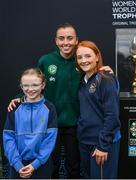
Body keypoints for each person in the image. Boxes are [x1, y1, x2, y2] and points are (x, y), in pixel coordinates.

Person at [7, 23, 113, 179]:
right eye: (61, 39)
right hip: (49, 124)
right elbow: (35, 84)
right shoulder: (46, 60)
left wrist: (104, 70)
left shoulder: (80, 60)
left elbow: (93, 73)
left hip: (75, 124)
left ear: (76, 40)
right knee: (51, 165)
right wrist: (19, 98)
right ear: (56, 41)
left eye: (70, 38)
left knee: (74, 166)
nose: (66, 42)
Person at [75, 41, 121, 179]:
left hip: (102, 144)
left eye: (88, 56)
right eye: (80, 57)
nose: (84, 60)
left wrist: (103, 146)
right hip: (85, 141)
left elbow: (112, 115)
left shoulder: (106, 79)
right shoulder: (81, 81)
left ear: (97, 57)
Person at [3, 68, 58, 179]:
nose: (30, 89)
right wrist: (17, 164)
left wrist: (36, 164)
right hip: (17, 165)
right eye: (26, 85)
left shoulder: (49, 108)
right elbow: (8, 137)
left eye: (35, 85)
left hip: (41, 164)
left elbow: (50, 139)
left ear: (43, 85)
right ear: (21, 86)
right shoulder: (15, 107)